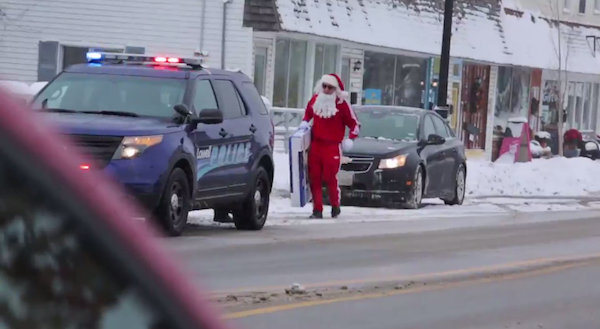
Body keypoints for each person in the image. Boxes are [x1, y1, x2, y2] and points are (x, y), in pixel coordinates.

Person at [299, 73, 360, 219]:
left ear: (336, 89)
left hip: (332, 147)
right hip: (316, 145)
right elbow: (307, 115)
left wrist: (351, 139)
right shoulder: (315, 100)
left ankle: (335, 205)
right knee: (315, 178)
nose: (326, 90)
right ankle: (317, 210)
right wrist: (304, 123)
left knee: (330, 177)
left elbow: (354, 124)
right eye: (324, 86)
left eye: (330, 88)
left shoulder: (342, 104)